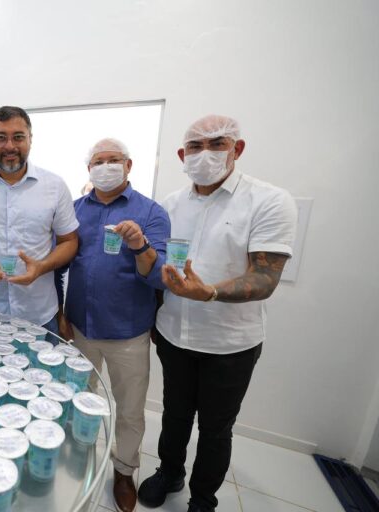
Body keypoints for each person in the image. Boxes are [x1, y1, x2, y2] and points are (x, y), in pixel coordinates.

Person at [138, 115, 297, 512]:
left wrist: (208, 292)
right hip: (174, 334)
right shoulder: (170, 205)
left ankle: (203, 498)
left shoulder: (269, 200)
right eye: (195, 146)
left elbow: (264, 278)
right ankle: (169, 472)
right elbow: (160, 270)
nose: (204, 153)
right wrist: (155, 314)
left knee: (215, 428)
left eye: (217, 143)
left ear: (236, 149)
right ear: (182, 155)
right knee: (174, 415)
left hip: (230, 344)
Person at [57, 138, 170, 512]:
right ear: (89, 168)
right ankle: (81, 457)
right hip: (80, 327)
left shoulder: (151, 212)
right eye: (98, 161)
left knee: (130, 408)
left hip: (127, 332)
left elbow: (159, 276)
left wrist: (139, 245)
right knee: (80, 399)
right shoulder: (74, 210)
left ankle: (124, 471)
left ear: (129, 165)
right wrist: (60, 312)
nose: (105, 167)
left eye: (113, 160)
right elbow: (61, 264)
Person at [0, 106, 79, 332]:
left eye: (18, 137)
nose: (10, 146)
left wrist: (42, 267)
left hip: (39, 314)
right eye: (1, 138)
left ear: (30, 139)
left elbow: (69, 241)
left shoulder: (55, 186)